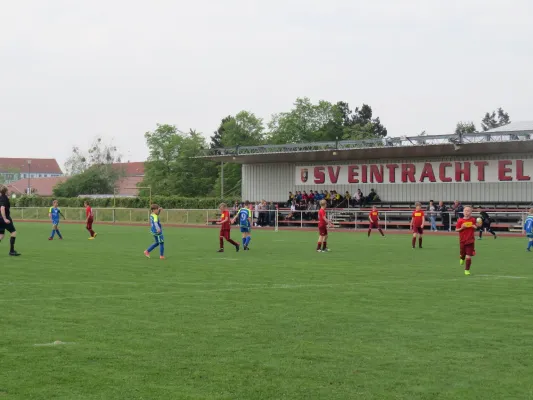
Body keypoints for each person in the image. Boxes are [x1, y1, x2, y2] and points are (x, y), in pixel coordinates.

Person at [456, 206, 482, 275]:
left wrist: (475, 227)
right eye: (465, 211)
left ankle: (467, 270)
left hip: (470, 241)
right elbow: (456, 229)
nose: (466, 212)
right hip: (462, 241)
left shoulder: (473, 220)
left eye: (468, 211)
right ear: (463, 212)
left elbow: (476, 227)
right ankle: (462, 257)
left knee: (468, 256)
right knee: (462, 254)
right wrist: (462, 228)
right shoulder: (460, 220)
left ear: (471, 212)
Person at [0, 186, 20, 256]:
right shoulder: (4, 198)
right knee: (13, 232)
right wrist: (5, 218)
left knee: (1, 235)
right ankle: (11, 251)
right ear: (5, 191)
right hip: (4, 219)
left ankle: (12, 251)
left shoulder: (1, 198)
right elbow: (2, 208)